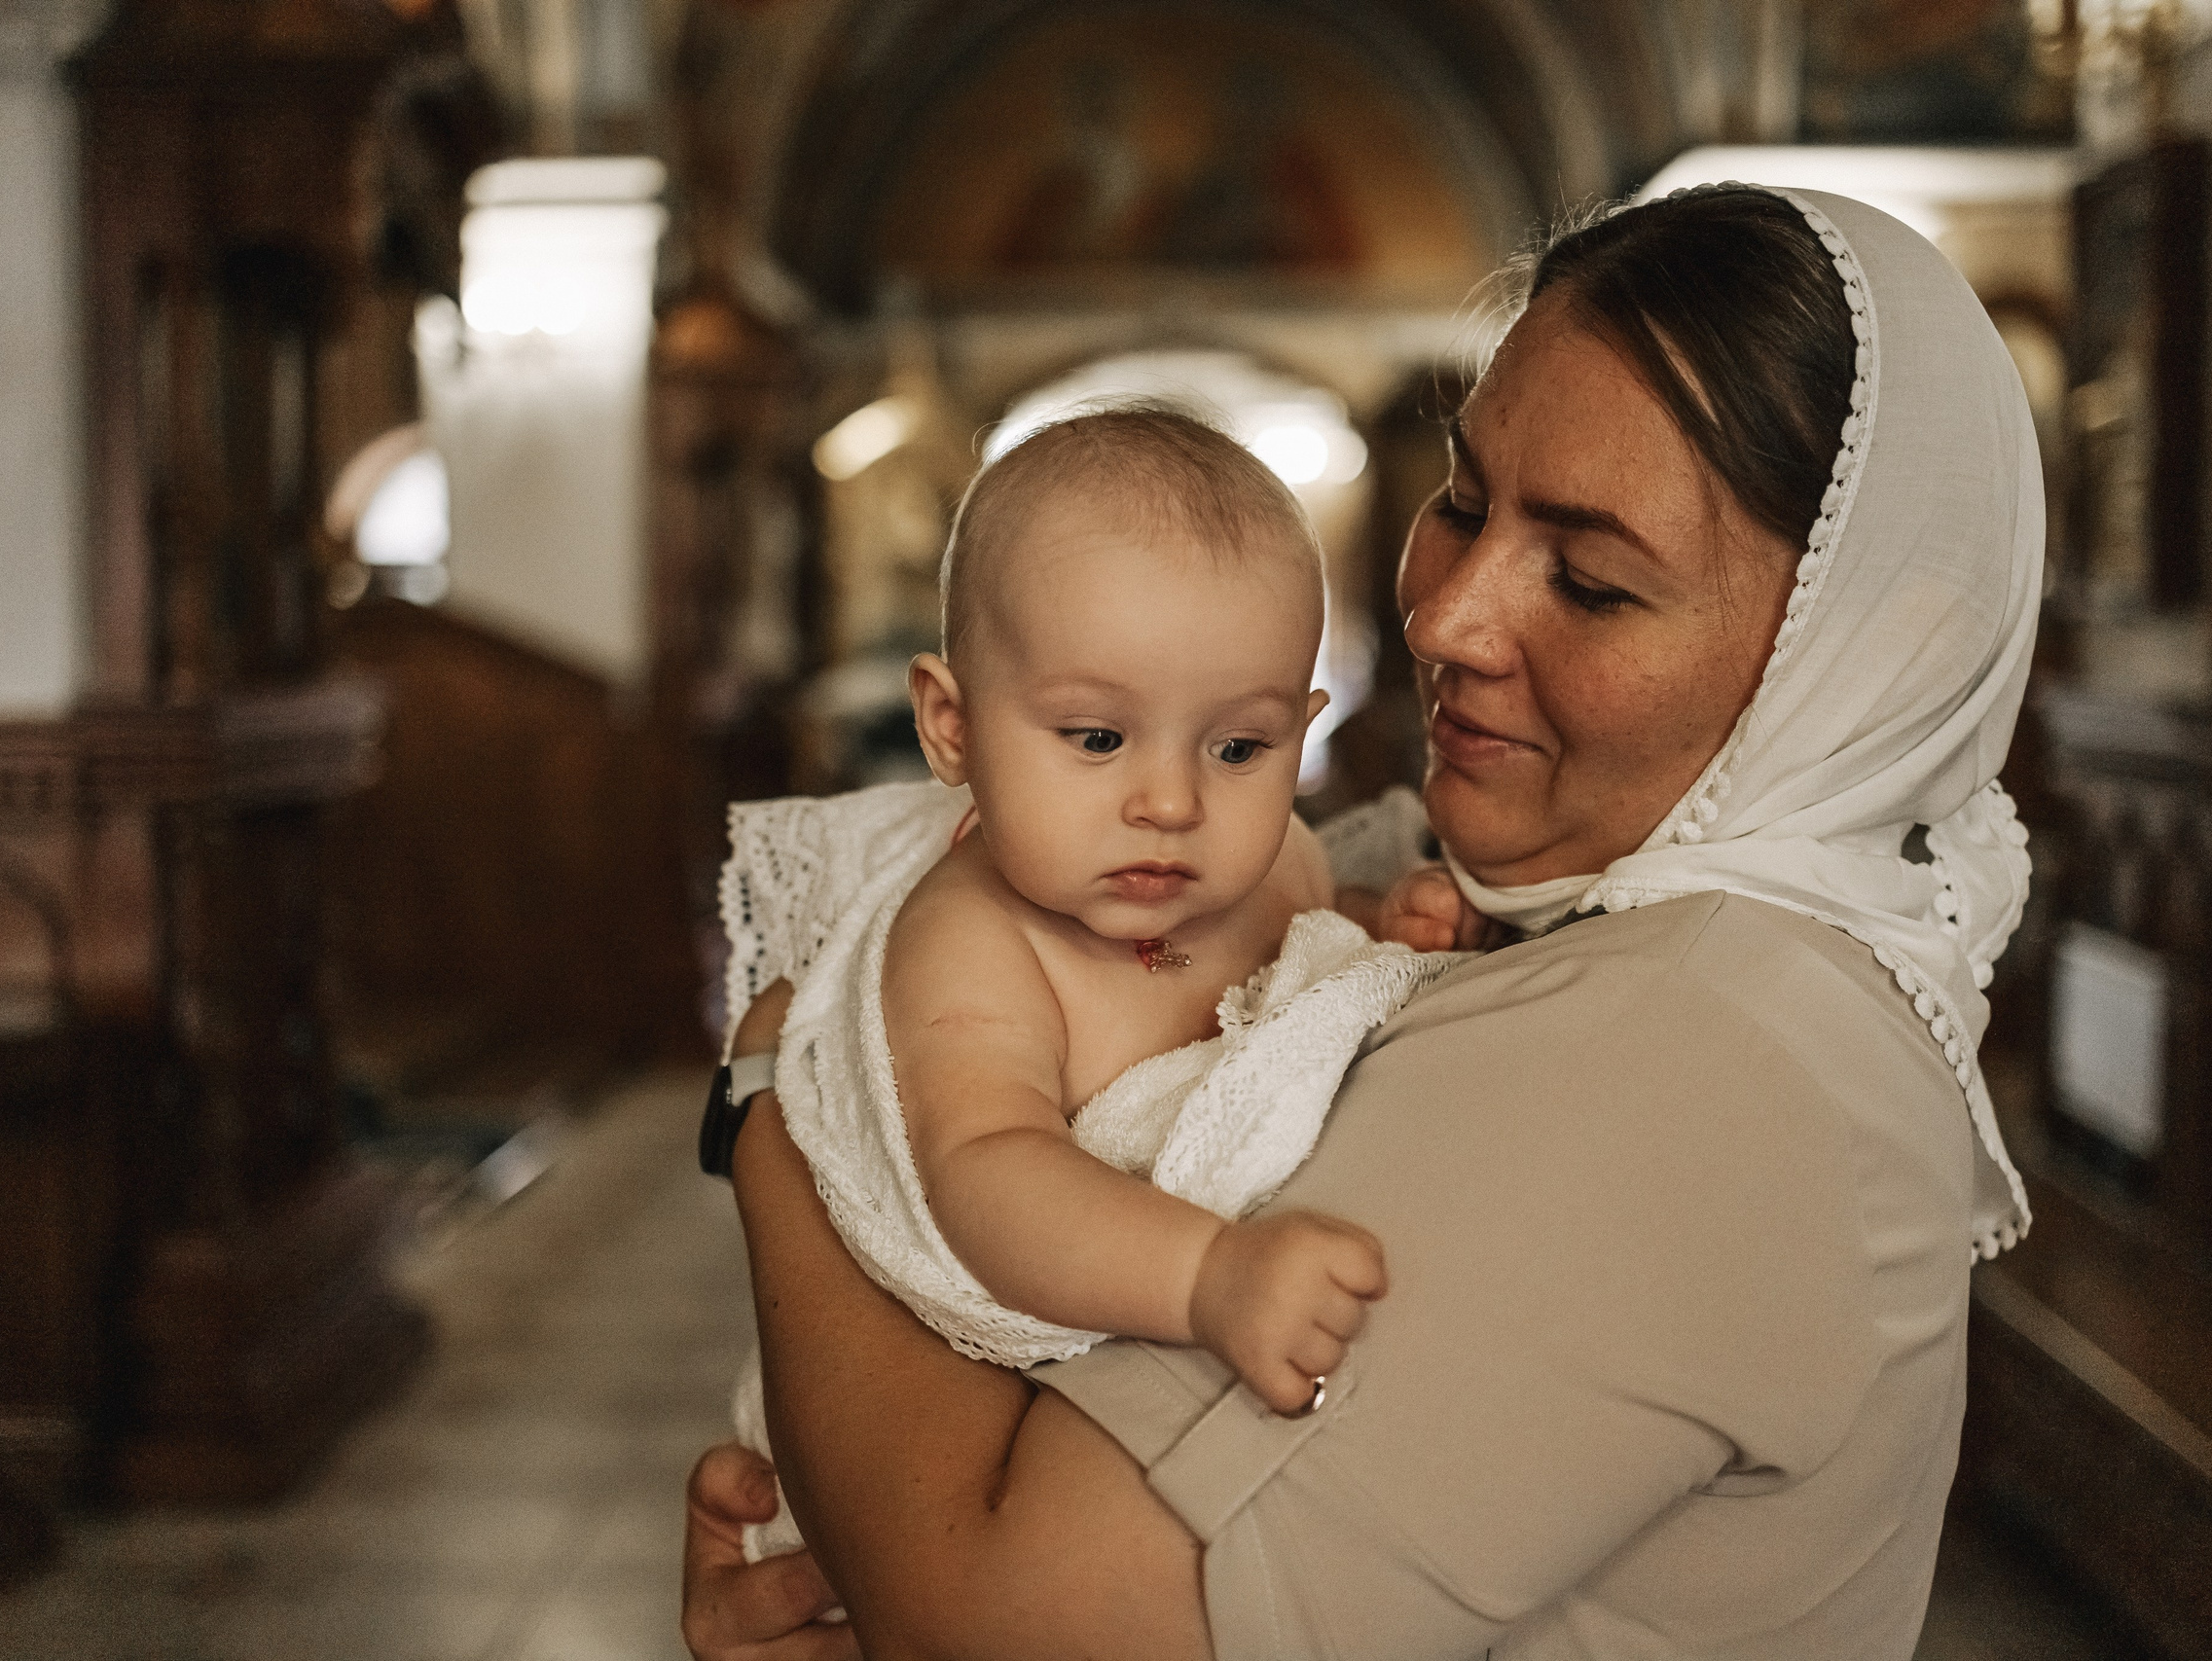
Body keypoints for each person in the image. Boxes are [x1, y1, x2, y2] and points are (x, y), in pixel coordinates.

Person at [684, 183, 2040, 1661]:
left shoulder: (1701, 1044)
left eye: (1588, 580)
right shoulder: (1495, 895)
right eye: (1461, 500)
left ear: (1864, 655)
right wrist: (843, 1575)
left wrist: (785, 1081)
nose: (1447, 613)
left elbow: (1007, 1621)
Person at [713, 408, 1458, 1557]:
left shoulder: (1285, 866)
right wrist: (1206, 1274)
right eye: (1098, 739)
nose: (1171, 802)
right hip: (998, 1384)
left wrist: (1383, 927)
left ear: (1303, 733)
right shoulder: (972, 940)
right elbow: (983, 1171)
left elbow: (1321, 964)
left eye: (1238, 748)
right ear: (951, 727)